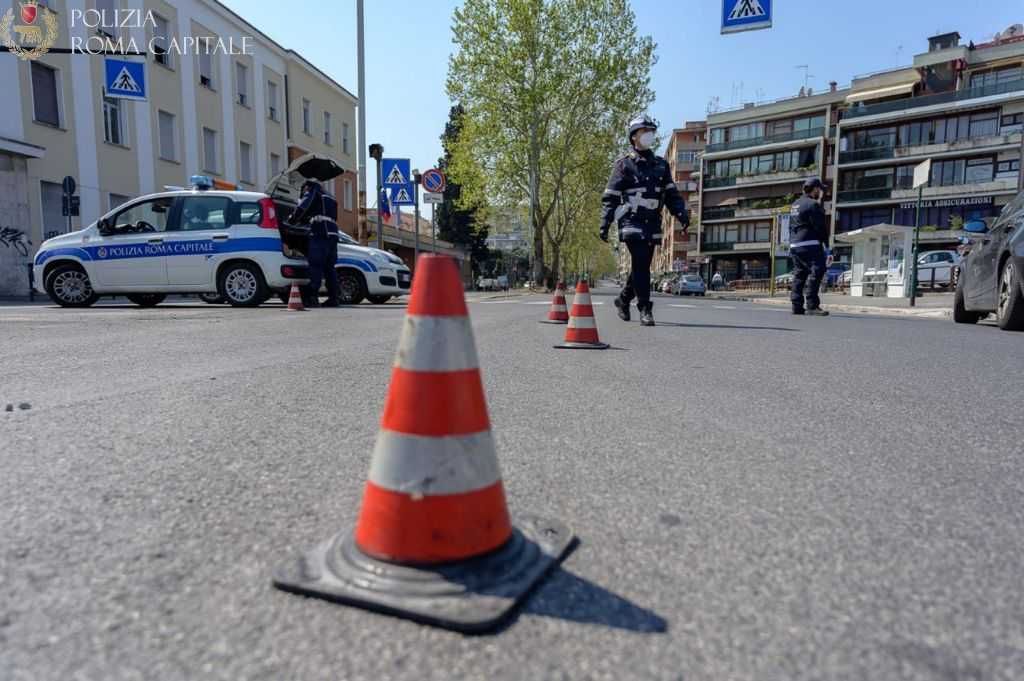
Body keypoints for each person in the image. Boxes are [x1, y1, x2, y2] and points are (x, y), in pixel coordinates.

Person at [600, 115, 688, 326]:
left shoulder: (661, 165)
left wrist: (681, 214)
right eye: (643, 131)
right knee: (640, 262)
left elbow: (671, 194)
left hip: (652, 222)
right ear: (633, 137)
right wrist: (605, 223)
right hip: (631, 221)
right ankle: (645, 307)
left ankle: (623, 299)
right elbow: (610, 197)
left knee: (641, 265)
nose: (648, 135)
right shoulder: (623, 165)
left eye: (651, 131)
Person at [291, 180, 340, 308]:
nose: (304, 192)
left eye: (304, 189)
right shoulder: (331, 197)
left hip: (320, 233)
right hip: (333, 234)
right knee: (330, 268)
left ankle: (312, 298)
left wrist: (293, 219)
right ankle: (334, 298)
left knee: (316, 266)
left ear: (308, 186)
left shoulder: (313, 192)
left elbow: (302, 207)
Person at [789, 177, 831, 316]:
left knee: (800, 274)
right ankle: (812, 305)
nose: (821, 192)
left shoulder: (795, 204)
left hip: (795, 244)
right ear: (815, 189)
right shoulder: (813, 204)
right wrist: (826, 245)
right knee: (817, 270)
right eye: (820, 189)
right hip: (810, 243)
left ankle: (797, 306)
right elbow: (820, 227)